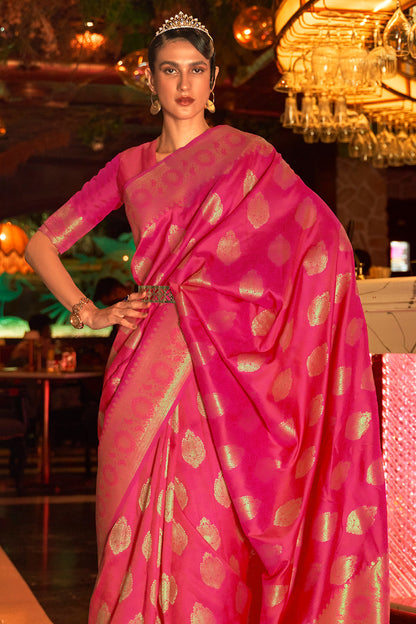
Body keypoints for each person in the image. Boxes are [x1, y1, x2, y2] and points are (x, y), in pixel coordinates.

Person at [25, 11, 389, 624]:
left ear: (213, 80)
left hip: (217, 366)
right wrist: (90, 312)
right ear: (150, 80)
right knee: (124, 520)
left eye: (196, 70)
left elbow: (319, 239)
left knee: (206, 523)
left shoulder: (249, 157)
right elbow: (43, 243)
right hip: (143, 356)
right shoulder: (129, 167)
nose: (184, 83)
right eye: (170, 71)